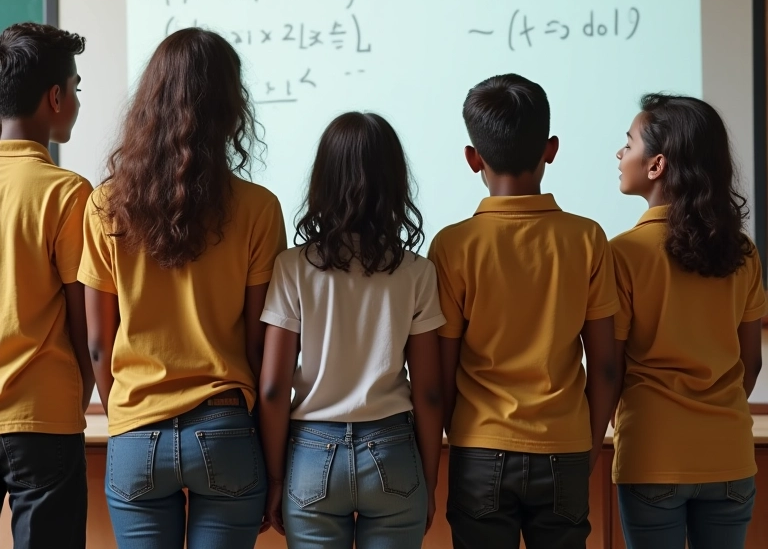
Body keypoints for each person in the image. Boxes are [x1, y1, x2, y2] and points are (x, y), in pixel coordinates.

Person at [79, 28, 286, 549]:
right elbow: (262, 346)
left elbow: (100, 343)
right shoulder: (259, 208)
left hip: (135, 432)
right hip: (225, 430)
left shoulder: (106, 205)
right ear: (231, 107)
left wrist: (126, 416)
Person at [431, 73, 618, 549]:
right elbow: (606, 366)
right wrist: (589, 445)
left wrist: (463, 443)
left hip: (480, 447)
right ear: (550, 148)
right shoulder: (587, 238)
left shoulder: (454, 245)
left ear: (473, 158)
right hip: (566, 445)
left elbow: (443, 370)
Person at [259, 111, 444, 549]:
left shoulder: (292, 267)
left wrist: (274, 478)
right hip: (394, 450)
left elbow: (271, 390)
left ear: (322, 181)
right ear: (395, 182)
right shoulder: (417, 273)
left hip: (310, 454)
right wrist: (428, 481)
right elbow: (430, 392)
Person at [612, 93, 767, 549]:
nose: (620, 154)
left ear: (657, 165)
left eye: (629, 143)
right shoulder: (742, 252)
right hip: (730, 458)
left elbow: (610, 366)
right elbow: (750, 363)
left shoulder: (623, 253)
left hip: (652, 456)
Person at [0, 22, 94, 549]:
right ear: (55, 97)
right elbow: (86, 323)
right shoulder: (67, 193)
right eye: (76, 88)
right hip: (43, 420)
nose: (77, 100)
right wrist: (77, 399)